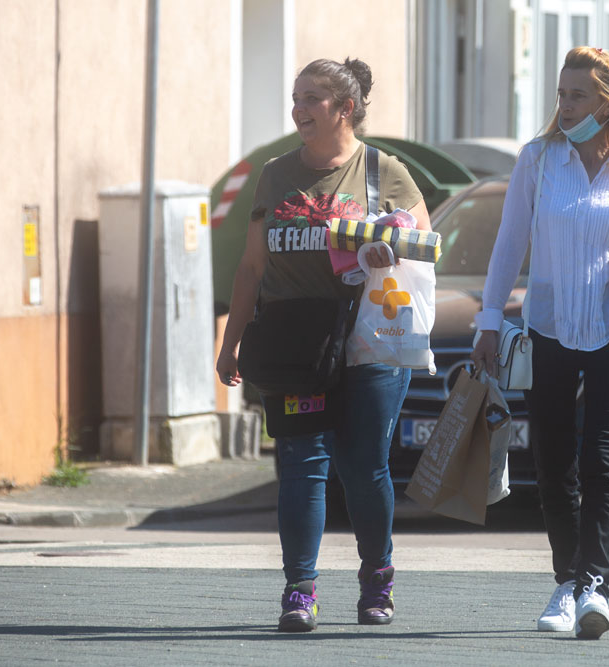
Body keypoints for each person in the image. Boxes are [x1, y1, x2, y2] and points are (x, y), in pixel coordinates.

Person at [216, 57, 430, 633]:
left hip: (370, 343)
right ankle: (299, 590)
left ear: (345, 108)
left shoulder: (384, 171)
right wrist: (231, 343)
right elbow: (252, 266)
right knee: (302, 464)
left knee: (363, 466)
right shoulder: (275, 175)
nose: (299, 109)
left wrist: (390, 247)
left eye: (312, 98)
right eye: (296, 97)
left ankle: (377, 578)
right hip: (296, 345)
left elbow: (426, 251)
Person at [470, 46, 609, 640]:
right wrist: (487, 321)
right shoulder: (539, 159)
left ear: (607, 104)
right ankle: (567, 580)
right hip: (548, 328)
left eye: (578, 95)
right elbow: (509, 244)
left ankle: (595, 587)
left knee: (602, 460)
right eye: (561, 93)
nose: (565, 105)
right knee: (553, 462)